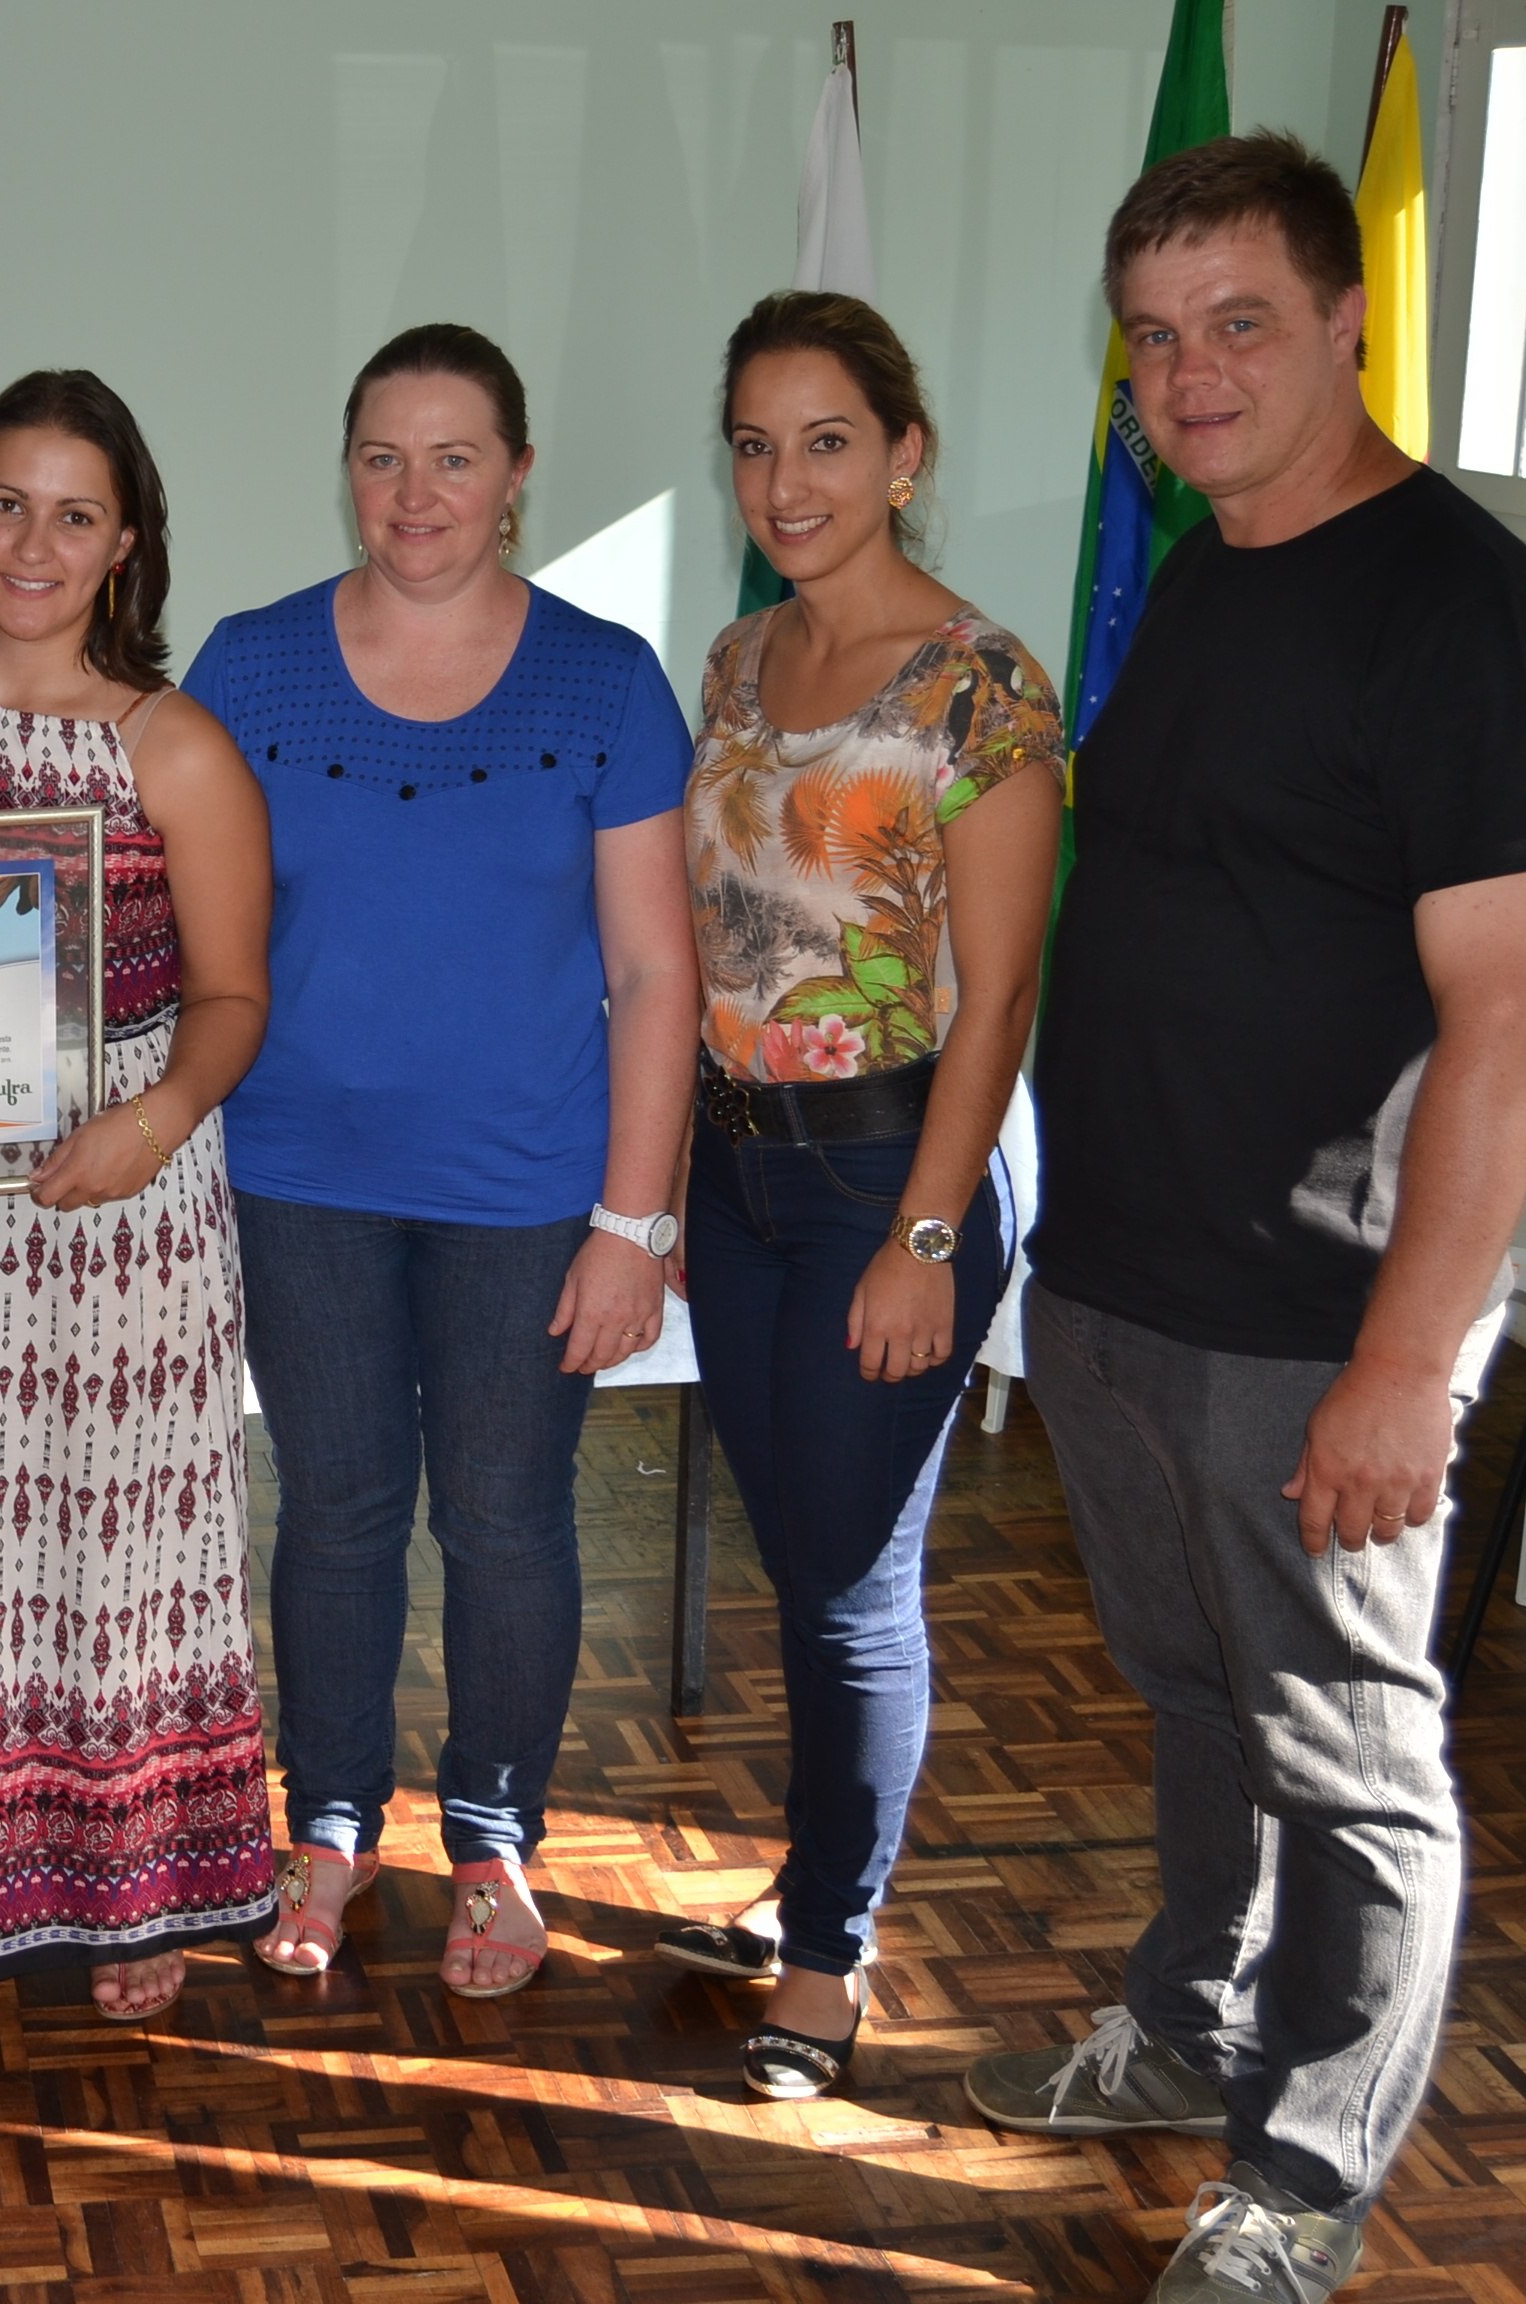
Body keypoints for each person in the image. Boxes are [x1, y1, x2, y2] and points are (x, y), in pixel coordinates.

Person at [962, 134, 1526, 2302]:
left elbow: (1512, 1017)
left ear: (1350, 322)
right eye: (1154, 340)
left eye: (1242, 324)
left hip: (1316, 1322)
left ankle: (1310, 2174)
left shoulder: (1473, 624)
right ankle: (1189, 2020)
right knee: (1192, 1697)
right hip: (1126, 1285)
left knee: (1350, 1752)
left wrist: (1410, 1368)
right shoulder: (1216, 559)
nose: (1193, 374)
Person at [180, 323, 698, 1998]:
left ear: (518, 474)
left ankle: (494, 1836)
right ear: (348, 468)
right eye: (384, 457)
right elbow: (170, 923)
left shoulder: (606, 679)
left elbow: (655, 970)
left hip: (527, 1188)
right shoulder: (247, 667)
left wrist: (635, 1216)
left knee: (502, 1516)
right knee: (332, 1514)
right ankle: (325, 1821)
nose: (417, 493)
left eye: (455, 457)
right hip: (297, 1174)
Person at [0, 372, 277, 2039]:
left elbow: (233, 995)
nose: (34, 539)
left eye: (73, 511)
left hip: (119, 1207)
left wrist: (149, 1121)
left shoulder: (174, 742)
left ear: (124, 544)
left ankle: (131, 1888)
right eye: (6, 501)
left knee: (113, 1551)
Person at [655, 292, 1060, 2100]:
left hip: (895, 1169)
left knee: (846, 1577)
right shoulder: (739, 664)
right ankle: (818, 1878)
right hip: (736, 1166)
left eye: (825, 439)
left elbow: (1002, 990)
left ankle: (831, 1955)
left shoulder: (981, 683)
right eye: (754, 441)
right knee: (806, 1544)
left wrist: (922, 1231)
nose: (784, 478)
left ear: (905, 454)